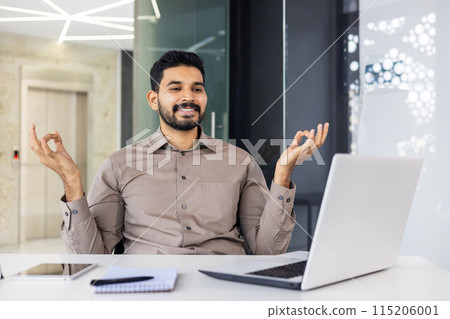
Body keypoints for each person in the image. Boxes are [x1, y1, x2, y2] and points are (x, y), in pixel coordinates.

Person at [29, 50, 329, 255]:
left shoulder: (240, 161)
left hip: (224, 289)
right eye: (175, 88)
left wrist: (283, 175)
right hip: (148, 292)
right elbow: (90, 255)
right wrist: (71, 181)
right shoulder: (120, 165)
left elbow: (267, 250)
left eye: (197, 89)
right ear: (153, 98)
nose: (189, 96)